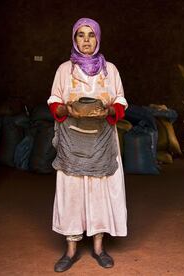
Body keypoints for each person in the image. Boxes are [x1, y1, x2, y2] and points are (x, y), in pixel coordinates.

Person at [47, 18, 128, 272]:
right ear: (74, 38)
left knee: (99, 191)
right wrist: (66, 108)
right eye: (81, 35)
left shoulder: (110, 70)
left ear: (98, 38)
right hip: (73, 141)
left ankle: (98, 248)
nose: (85, 40)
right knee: (71, 193)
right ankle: (70, 250)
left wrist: (108, 111)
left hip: (102, 142)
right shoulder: (64, 70)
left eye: (90, 35)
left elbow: (121, 101)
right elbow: (54, 102)